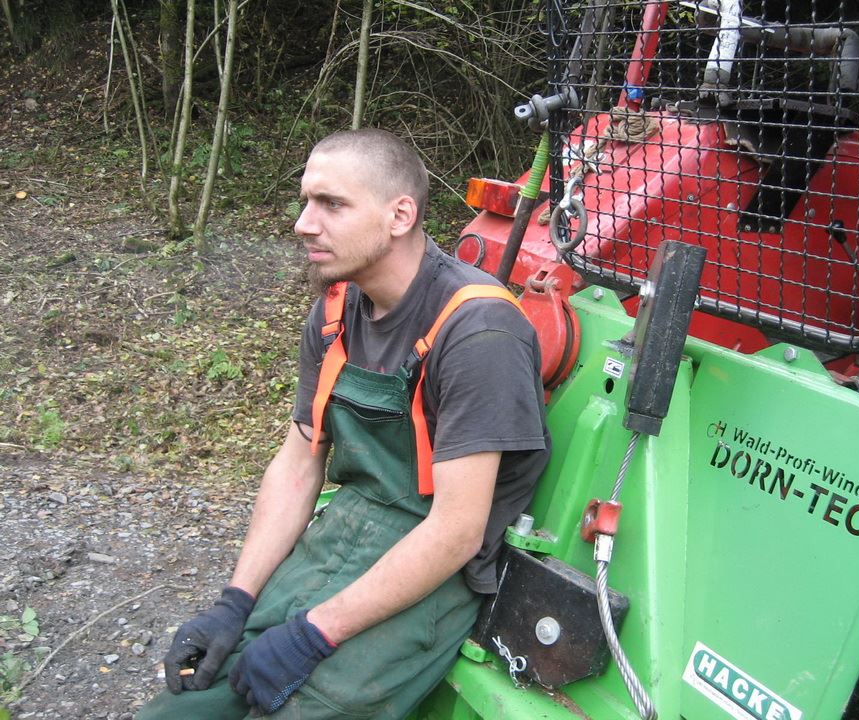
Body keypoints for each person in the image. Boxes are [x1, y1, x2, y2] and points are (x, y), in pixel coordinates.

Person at [137, 128, 551, 719]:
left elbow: (458, 531)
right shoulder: (336, 310)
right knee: (184, 705)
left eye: (332, 204)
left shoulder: (477, 329)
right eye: (307, 201)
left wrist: (314, 633)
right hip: (341, 535)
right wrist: (234, 602)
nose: (304, 224)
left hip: (433, 569)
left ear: (399, 215)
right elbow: (299, 462)